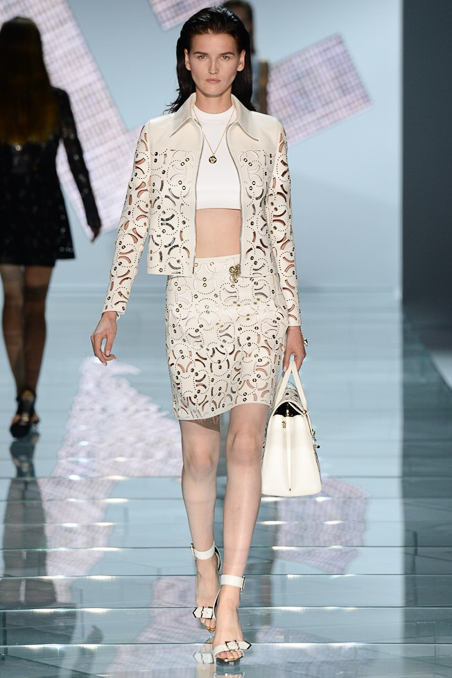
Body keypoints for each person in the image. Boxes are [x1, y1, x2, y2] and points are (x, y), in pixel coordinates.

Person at [91, 6, 306, 666]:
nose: (213, 67)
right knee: (199, 456)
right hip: (189, 301)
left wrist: (292, 318)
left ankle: (231, 599)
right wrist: (112, 308)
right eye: (202, 55)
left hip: (256, 299)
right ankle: (204, 565)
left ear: (241, 62)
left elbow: (280, 227)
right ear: (186, 60)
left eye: (225, 56)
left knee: (246, 445)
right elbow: (133, 223)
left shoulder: (267, 133)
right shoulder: (159, 135)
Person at [0, 17, 101, 438]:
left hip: (4, 209)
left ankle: (22, 396)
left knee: (12, 298)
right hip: (43, 209)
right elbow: (75, 158)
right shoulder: (54, 100)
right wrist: (91, 210)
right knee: (36, 305)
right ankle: (30, 391)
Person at [223, 0, 269, 112]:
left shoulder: (259, 65)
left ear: (250, 25)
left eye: (242, 22)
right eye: (231, 22)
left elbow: (263, 107)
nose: (237, 28)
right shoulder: (208, 62)